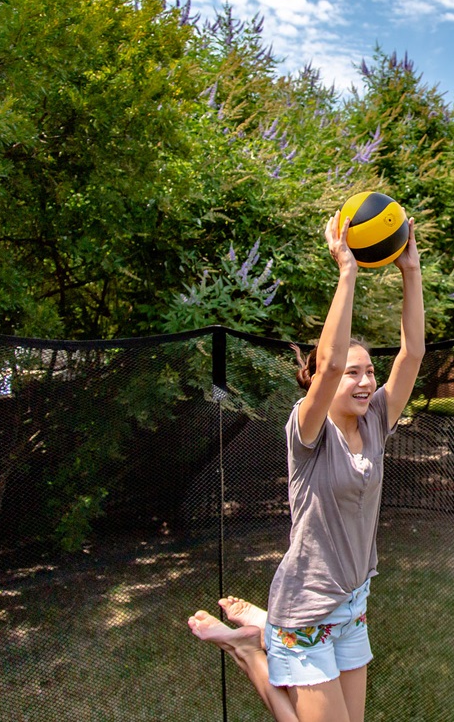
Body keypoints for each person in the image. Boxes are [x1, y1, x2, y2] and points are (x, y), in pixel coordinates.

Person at [188, 210, 425, 722]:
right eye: (352, 374)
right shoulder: (308, 431)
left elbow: (412, 354)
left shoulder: (378, 420)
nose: (364, 382)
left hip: (352, 602)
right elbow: (331, 361)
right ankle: (254, 649)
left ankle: (258, 632)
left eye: (370, 373)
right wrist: (347, 270)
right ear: (320, 381)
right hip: (308, 607)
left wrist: (411, 271)